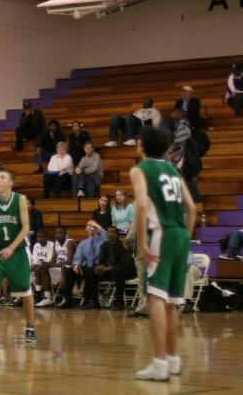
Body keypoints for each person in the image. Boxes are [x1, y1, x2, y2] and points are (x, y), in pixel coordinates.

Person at [132, 126, 196, 381]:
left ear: (142, 145)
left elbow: (141, 205)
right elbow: (192, 208)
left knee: (155, 297)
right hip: (181, 234)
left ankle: (159, 363)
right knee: (171, 301)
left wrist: (141, 243)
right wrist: (185, 237)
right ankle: (172, 359)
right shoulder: (173, 170)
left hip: (162, 233)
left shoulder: (140, 169)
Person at [0, 170, 36, 344]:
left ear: (11, 183)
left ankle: (30, 328)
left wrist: (12, 248)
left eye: (2, 178)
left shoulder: (20, 199)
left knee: (25, 290)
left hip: (17, 250)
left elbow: (26, 227)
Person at [91, 226, 136, 310]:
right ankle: (94, 302)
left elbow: (125, 263)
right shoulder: (104, 246)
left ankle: (119, 302)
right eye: (108, 232)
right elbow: (101, 261)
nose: (110, 234)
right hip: (111, 271)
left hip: (127, 270)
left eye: (112, 232)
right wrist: (99, 267)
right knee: (91, 272)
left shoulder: (123, 244)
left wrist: (108, 268)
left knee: (118, 272)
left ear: (117, 234)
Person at [65, 220, 107, 310]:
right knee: (69, 270)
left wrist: (96, 225)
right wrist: (76, 264)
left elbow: (107, 235)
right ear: (86, 229)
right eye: (89, 226)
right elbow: (78, 257)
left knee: (90, 271)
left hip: (100, 267)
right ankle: (68, 301)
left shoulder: (103, 241)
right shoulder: (83, 243)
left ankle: (91, 301)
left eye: (94, 227)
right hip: (88, 267)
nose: (92, 228)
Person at [51, 226, 77, 309]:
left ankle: (65, 297)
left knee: (65, 268)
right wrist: (47, 264)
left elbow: (69, 262)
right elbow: (53, 260)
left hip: (70, 269)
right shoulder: (55, 243)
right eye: (56, 233)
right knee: (41, 269)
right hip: (59, 267)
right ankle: (47, 297)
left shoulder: (70, 242)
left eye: (61, 233)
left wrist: (52, 265)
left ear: (66, 234)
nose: (58, 235)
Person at [30, 229, 56, 308]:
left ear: (47, 237)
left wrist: (37, 265)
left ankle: (43, 296)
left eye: (42, 237)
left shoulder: (51, 245)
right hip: (38, 267)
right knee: (27, 269)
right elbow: (35, 261)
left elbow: (49, 261)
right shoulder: (36, 245)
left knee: (39, 269)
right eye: (38, 237)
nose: (40, 239)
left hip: (49, 268)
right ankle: (21, 296)